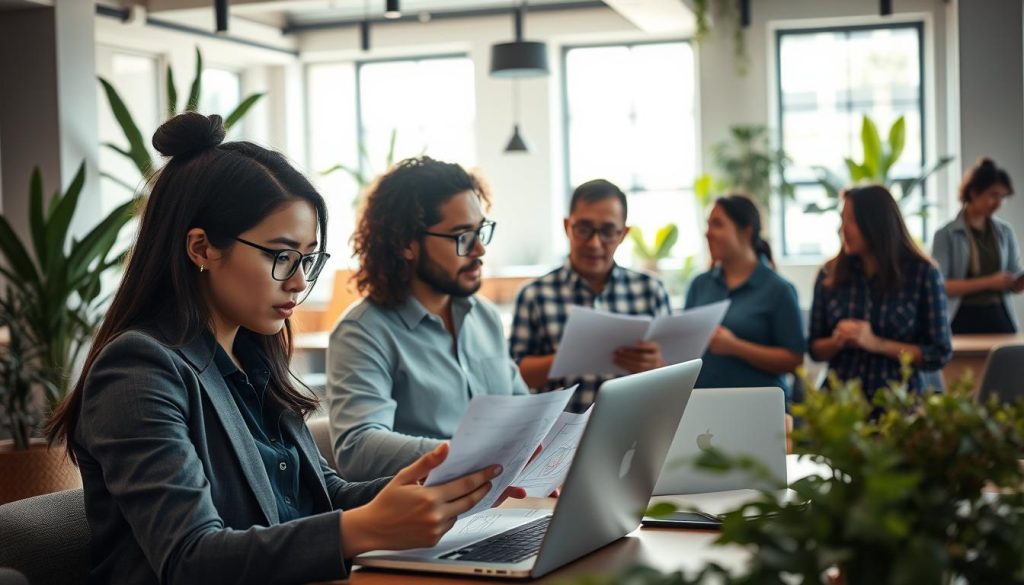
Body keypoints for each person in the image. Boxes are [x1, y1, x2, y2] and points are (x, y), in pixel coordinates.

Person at [46, 114, 515, 585]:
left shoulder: (252, 355)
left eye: (307, 259)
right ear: (202, 248)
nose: (298, 282)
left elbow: (314, 496)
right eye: (280, 255)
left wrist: (416, 486)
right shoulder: (138, 370)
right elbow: (190, 558)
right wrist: (362, 527)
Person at [327, 156, 529, 481]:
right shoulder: (363, 332)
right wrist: (466, 456)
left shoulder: (485, 317)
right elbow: (357, 447)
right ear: (407, 244)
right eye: (462, 236)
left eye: (481, 232)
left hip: (503, 503)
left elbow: (524, 416)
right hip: (427, 517)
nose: (479, 250)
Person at [509, 179, 672, 412]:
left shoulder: (651, 291)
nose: (594, 243)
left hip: (634, 429)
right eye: (584, 229)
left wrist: (655, 365)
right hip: (557, 438)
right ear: (567, 226)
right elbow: (512, 378)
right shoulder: (534, 295)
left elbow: (674, 376)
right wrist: (569, 356)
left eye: (607, 231)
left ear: (623, 233)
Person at [808, 185, 952, 398]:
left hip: (899, 407)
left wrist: (876, 343)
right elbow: (814, 348)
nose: (843, 229)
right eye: (842, 219)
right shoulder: (830, 273)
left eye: (852, 221)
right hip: (840, 408)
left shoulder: (923, 274)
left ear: (876, 224)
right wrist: (839, 339)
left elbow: (938, 354)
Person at [684, 195, 805, 398]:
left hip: (758, 408)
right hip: (702, 407)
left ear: (746, 232)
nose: (708, 233)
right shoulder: (699, 285)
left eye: (718, 224)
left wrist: (736, 347)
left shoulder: (778, 289)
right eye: (707, 224)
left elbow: (794, 360)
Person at [932, 157, 1023, 334]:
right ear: (974, 193)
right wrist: (989, 282)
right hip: (961, 317)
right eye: (993, 195)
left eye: (1002, 197)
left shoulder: (1005, 232)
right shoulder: (946, 234)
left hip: (999, 317)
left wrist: (1015, 282)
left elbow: (1013, 274)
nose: (998, 203)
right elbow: (940, 285)